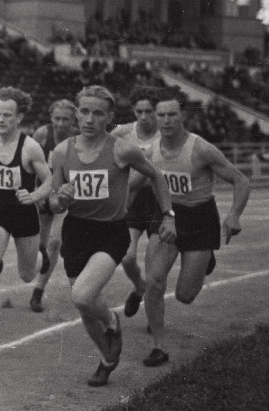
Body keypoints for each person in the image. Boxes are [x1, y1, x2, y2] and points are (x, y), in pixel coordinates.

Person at [48, 85, 175, 387]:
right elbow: (53, 201)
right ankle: (106, 358)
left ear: (109, 118)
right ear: (77, 113)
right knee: (83, 305)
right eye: (84, 112)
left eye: (98, 113)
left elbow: (156, 175)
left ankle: (111, 322)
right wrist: (61, 198)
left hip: (111, 232)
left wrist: (169, 214)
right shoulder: (62, 151)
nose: (90, 119)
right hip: (77, 231)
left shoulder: (121, 149)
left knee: (82, 294)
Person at [137, 86, 250, 368]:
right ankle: (159, 347)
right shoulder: (150, 151)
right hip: (167, 214)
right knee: (153, 281)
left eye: (172, 114)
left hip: (200, 217)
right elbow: (133, 183)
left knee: (185, 296)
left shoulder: (200, 149)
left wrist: (234, 215)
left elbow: (241, 181)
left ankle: (205, 258)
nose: (165, 120)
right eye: (160, 115)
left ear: (183, 115)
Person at [0, 87, 53, 350]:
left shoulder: (30, 147)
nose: (1, 120)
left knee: (27, 275)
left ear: (18, 118)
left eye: (7, 115)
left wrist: (35, 195)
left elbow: (49, 180)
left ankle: (42, 257)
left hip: (25, 215)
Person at [110, 87, 162, 318]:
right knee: (127, 256)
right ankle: (139, 287)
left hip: (158, 198)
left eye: (148, 111)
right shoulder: (123, 132)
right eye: (138, 111)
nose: (143, 117)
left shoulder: (166, 133)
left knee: (155, 265)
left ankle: (154, 312)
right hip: (133, 197)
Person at [29, 99, 78, 312]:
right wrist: (36, 192)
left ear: (73, 121)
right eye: (56, 118)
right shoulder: (42, 135)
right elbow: (27, 163)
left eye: (65, 119)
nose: (60, 123)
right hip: (44, 195)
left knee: (54, 243)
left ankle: (37, 292)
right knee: (41, 247)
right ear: (51, 118)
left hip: (64, 197)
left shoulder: (77, 140)